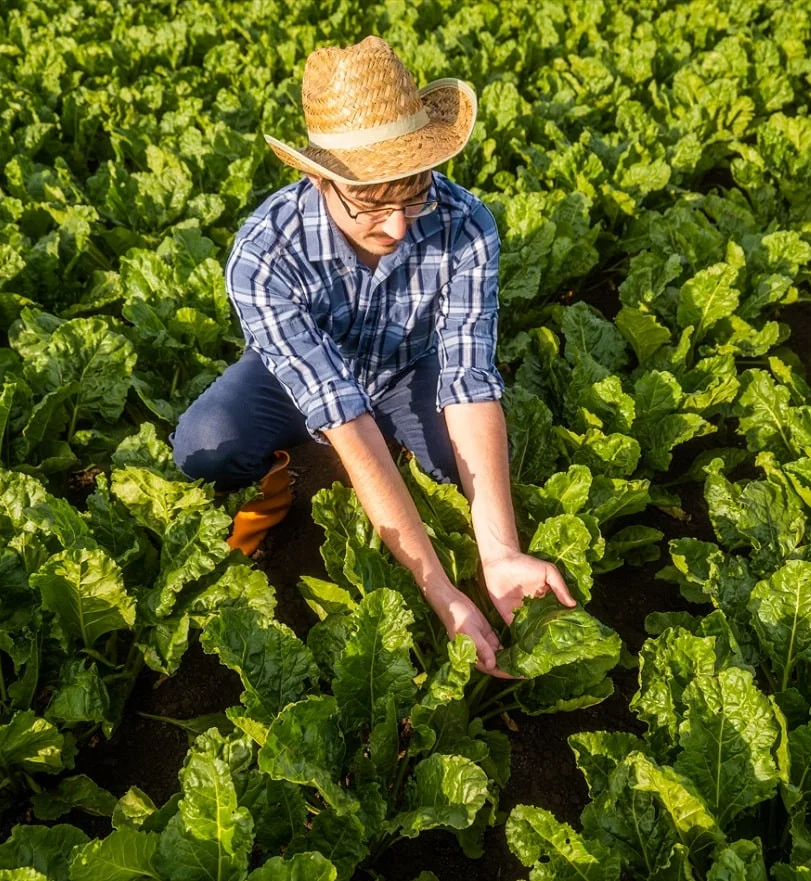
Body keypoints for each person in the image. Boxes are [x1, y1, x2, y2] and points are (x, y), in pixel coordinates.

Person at [171, 36, 575, 677]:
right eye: (371, 205)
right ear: (317, 178)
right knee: (204, 444)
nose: (397, 227)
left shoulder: (467, 223)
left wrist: (498, 552)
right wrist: (440, 591)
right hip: (297, 379)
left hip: (411, 366)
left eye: (413, 197)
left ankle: (407, 460)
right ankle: (287, 472)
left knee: (458, 465)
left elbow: (468, 379)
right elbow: (344, 420)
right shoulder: (263, 255)